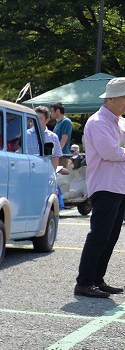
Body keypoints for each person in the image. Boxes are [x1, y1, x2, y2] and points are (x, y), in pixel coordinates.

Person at [73, 78, 125, 298]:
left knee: (110, 235)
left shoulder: (117, 121)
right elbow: (110, 153)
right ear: (112, 98)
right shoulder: (98, 121)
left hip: (117, 185)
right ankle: (84, 282)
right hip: (105, 186)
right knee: (100, 235)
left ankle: (96, 279)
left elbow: (117, 151)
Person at [51, 103, 73, 170]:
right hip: (56, 155)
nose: (51, 114)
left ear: (57, 111)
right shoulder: (59, 122)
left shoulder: (66, 121)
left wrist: (58, 154)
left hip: (61, 156)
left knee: (61, 177)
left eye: (52, 111)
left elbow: (64, 139)